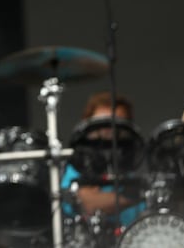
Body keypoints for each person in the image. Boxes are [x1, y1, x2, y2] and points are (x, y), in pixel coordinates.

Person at [61, 91, 146, 245]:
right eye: (101, 126)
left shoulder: (132, 177)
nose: (109, 134)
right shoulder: (73, 171)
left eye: (116, 126)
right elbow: (88, 203)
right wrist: (139, 194)